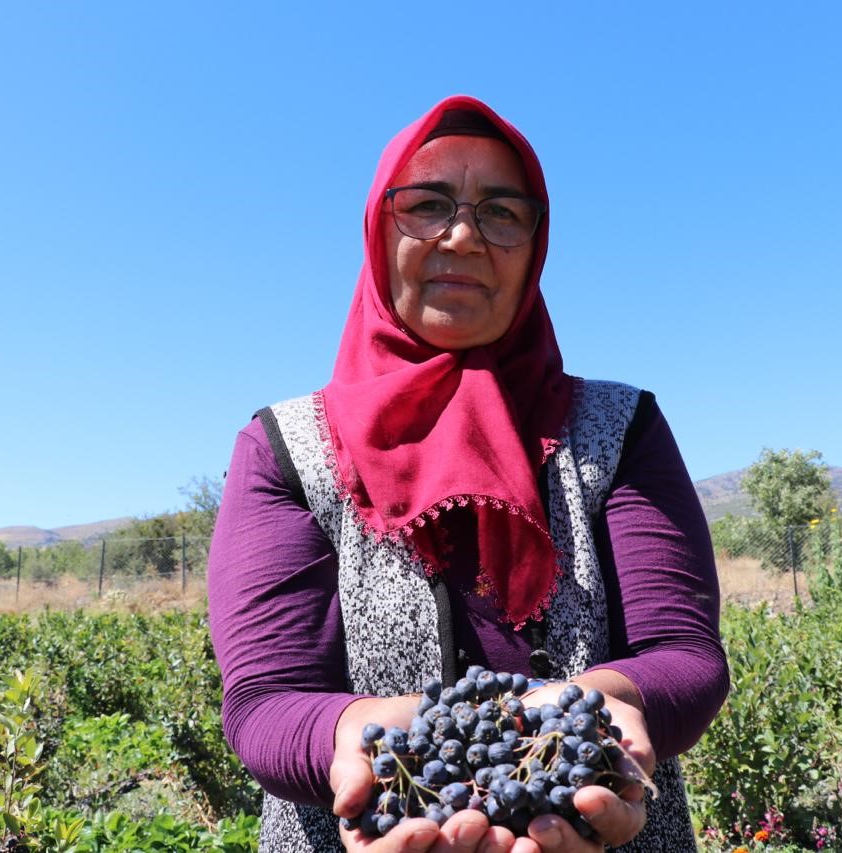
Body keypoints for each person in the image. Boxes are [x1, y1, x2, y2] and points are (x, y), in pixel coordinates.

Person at [208, 95, 729, 853]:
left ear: (535, 244)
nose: (462, 234)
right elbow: (265, 701)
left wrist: (602, 703)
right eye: (425, 204)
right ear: (379, 229)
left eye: (501, 212)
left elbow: (684, 654)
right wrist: (352, 731)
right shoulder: (286, 447)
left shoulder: (621, 428)